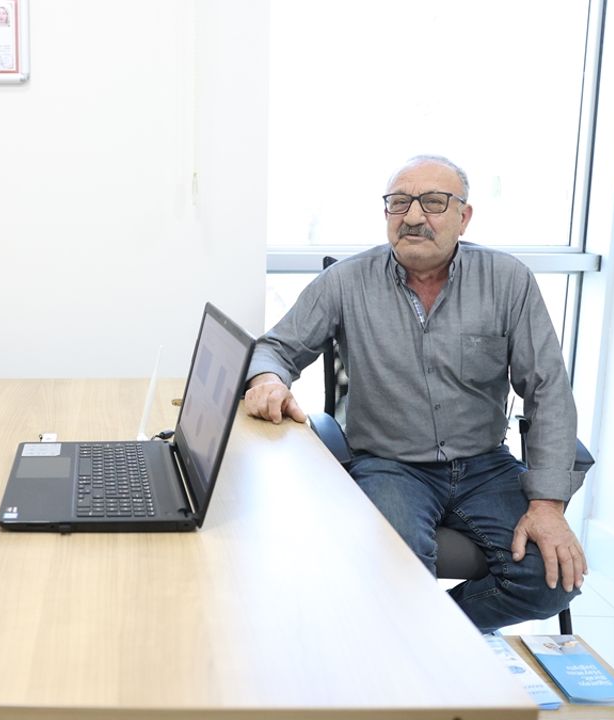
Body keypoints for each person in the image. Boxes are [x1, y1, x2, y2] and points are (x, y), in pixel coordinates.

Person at [243, 155, 585, 633]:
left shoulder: (508, 281)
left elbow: (548, 390)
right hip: (390, 464)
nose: (414, 215)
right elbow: (275, 348)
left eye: (434, 202)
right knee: (397, 577)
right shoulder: (346, 281)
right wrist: (268, 381)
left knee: (552, 582)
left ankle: (425, 636)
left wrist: (547, 504)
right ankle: (414, 641)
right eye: (399, 202)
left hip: (485, 466)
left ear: (464, 217)